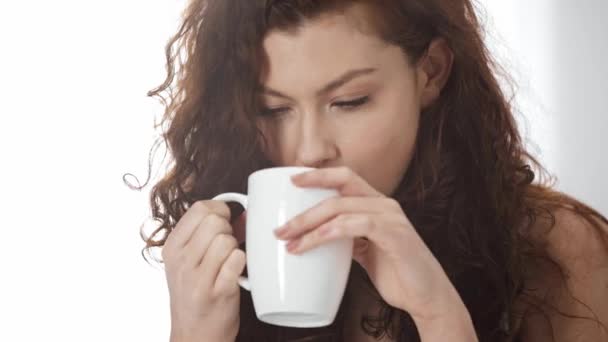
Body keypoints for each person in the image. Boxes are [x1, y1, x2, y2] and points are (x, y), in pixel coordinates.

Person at [132, 0, 608, 341]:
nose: (309, 151)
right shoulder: (239, 250)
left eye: (349, 101)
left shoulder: (558, 253)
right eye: (273, 110)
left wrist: (438, 315)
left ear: (431, 73)